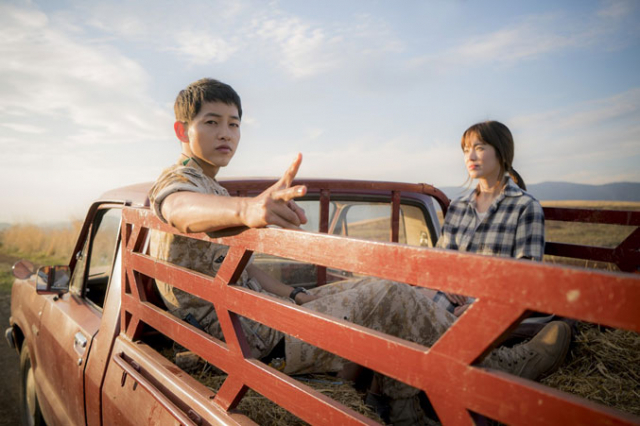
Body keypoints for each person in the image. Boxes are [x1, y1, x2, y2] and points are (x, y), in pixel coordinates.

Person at [148, 79, 570, 425]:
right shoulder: (180, 186)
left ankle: (403, 409)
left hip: (253, 319)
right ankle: (501, 370)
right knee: (393, 297)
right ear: (182, 130)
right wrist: (248, 208)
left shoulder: (211, 185)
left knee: (381, 286)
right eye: (212, 122)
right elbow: (178, 209)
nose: (226, 133)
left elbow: (245, 272)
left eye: (234, 123)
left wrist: (296, 295)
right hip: (247, 339)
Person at [427, 121, 546, 318]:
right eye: (466, 150)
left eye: (479, 148)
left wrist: (482, 308)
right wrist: (445, 280)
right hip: (446, 302)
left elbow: (527, 281)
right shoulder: (458, 206)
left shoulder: (525, 207)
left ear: (501, 152)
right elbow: (440, 260)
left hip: (493, 313)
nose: (470, 157)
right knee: (392, 294)